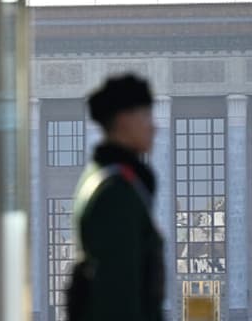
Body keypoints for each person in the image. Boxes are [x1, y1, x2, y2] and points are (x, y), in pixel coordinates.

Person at [70, 73, 164, 321]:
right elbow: (119, 292)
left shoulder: (101, 177)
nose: (153, 127)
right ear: (124, 120)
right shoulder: (115, 192)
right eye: (146, 116)